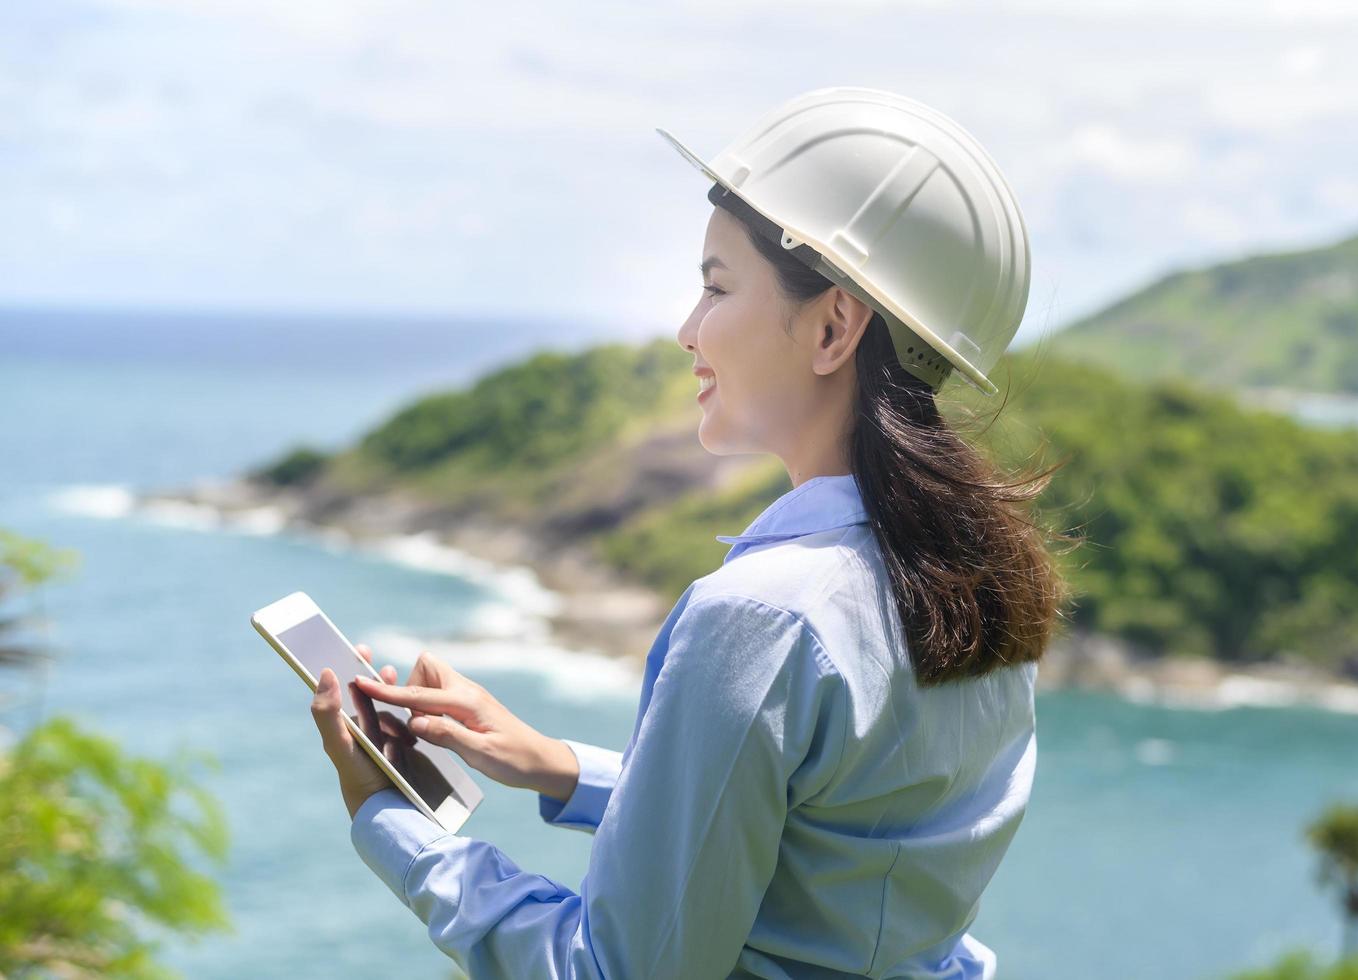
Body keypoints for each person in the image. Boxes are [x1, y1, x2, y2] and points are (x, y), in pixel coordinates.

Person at [311, 86, 1071, 979]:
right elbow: (836, 852)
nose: (685, 328)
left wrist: (387, 822)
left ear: (833, 325)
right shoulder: (977, 579)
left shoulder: (763, 616)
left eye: (715, 286)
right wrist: (555, 766)